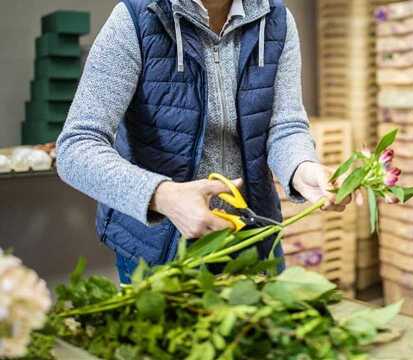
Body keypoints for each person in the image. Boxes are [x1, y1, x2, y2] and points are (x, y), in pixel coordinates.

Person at [56, 0, 347, 283]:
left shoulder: (275, 19)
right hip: (161, 253)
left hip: (252, 239)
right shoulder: (136, 18)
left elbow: (284, 125)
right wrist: (163, 196)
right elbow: (76, 146)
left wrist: (301, 167)